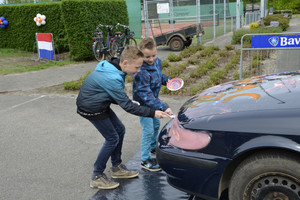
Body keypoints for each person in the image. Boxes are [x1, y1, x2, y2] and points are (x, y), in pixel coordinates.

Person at [76, 46, 168, 190]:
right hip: (91, 108)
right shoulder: (112, 77)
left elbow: (109, 94)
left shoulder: (114, 67)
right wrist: (152, 112)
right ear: (125, 63)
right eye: (137, 67)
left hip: (100, 103)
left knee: (120, 130)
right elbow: (128, 107)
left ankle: (116, 168)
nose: (138, 71)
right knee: (112, 138)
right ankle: (97, 176)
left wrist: (124, 99)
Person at [132, 37, 173, 172]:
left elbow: (158, 75)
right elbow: (146, 95)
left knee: (156, 125)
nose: (151, 59)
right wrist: (163, 106)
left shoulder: (157, 62)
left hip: (153, 101)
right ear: (140, 55)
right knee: (148, 130)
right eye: (147, 56)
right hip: (143, 105)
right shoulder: (140, 72)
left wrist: (167, 80)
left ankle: (152, 147)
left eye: (153, 55)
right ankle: (145, 159)